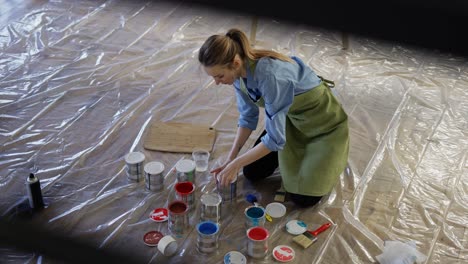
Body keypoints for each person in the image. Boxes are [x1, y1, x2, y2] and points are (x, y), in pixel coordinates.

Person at [199, 28, 349, 208]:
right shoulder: (239, 76)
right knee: (252, 172)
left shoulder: (270, 75)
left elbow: (276, 139)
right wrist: (231, 160)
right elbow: (248, 118)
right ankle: (294, 159)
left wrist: (235, 165)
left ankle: (322, 158)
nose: (217, 82)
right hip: (290, 121)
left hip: (323, 126)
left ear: (236, 62)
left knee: (303, 199)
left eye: (219, 76)